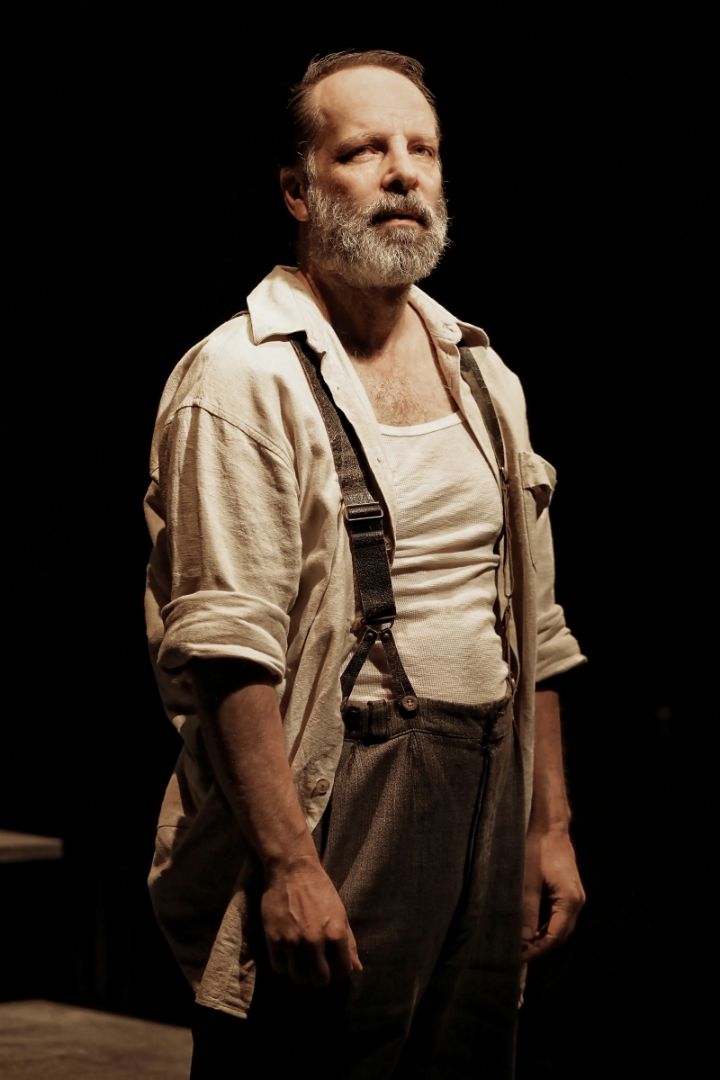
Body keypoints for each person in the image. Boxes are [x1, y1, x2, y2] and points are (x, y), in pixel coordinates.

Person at [143, 48, 587, 1080]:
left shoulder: (483, 371)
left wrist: (547, 826)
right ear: (298, 190)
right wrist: (288, 864)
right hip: (338, 799)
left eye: (421, 149)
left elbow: (533, 624)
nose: (401, 173)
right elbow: (226, 648)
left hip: (487, 791)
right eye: (363, 151)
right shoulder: (242, 377)